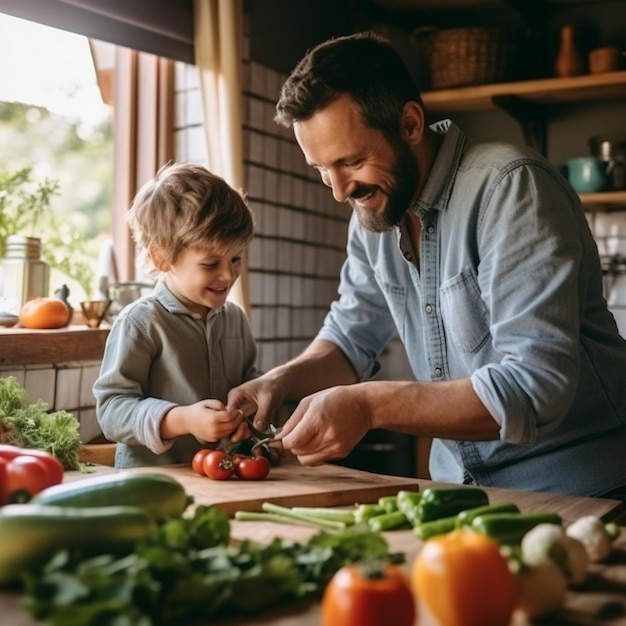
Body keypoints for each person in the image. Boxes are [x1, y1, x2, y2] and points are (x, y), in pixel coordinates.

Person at [227, 32, 626, 498]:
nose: (338, 191)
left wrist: (369, 405)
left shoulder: (512, 189)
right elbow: (350, 338)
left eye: (351, 161)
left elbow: (535, 386)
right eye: (321, 170)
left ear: (411, 124)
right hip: (459, 494)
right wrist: (279, 381)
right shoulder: (371, 217)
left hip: (586, 489)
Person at [94, 162, 259, 468]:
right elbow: (112, 411)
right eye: (211, 264)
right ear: (162, 257)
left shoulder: (235, 319)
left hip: (222, 479)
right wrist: (181, 419)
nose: (228, 274)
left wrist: (252, 412)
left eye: (236, 258)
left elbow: (251, 380)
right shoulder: (140, 323)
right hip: (151, 484)